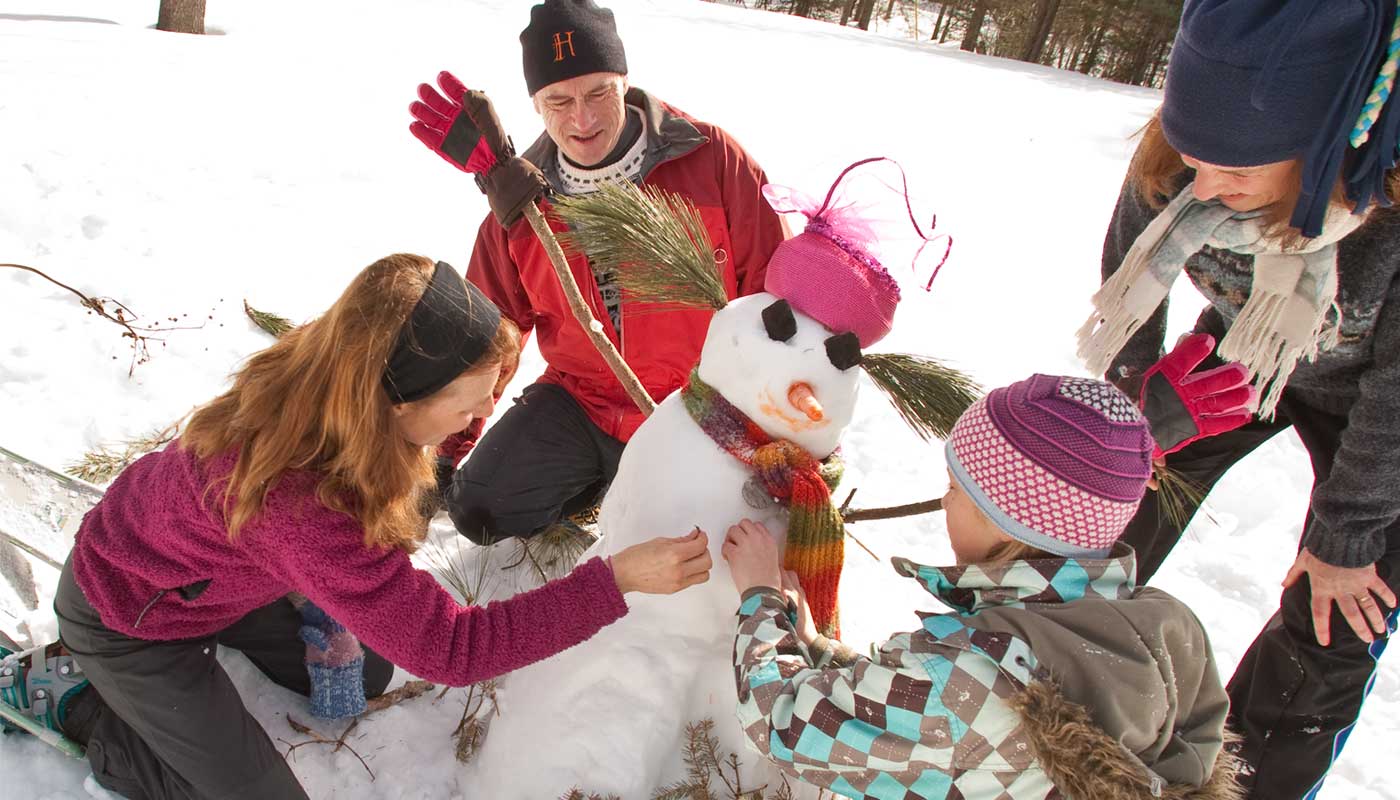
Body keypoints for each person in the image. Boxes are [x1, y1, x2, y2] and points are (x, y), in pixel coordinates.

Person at [0, 255, 711, 799]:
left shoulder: (340, 373)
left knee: (362, 671)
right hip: (131, 613)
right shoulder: (305, 511)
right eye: (467, 403)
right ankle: (71, 696)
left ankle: (221, 624)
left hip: (214, 576)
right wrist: (613, 580)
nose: (480, 414)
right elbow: (454, 648)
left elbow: (390, 488)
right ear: (398, 404)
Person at [1081, 1, 1400, 796]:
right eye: (1195, 158)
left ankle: (1245, 780)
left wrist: (1345, 535)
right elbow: (1131, 291)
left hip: (1377, 405)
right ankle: (1055, 682)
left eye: (1239, 172)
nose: (1206, 188)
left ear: (1328, 145)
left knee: (1346, 600)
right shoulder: (1178, 164)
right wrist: (1132, 422)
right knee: (1112, 502)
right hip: (1246, 348)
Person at [722, 374, 1236, 799]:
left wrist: (760, 599)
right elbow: (958, 738)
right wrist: (815, 649)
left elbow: (787, 726)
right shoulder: (1171, 628)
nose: (944, 503)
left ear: (1009, 522)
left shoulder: (971, 676)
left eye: (955, 489)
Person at [408, 0, 787, 544]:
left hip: (698, 407)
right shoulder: (520, 199)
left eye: (597, 93)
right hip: (582, 404)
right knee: (480, 509)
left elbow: (776, 300)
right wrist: (444, 454)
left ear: (624, 81)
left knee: (705, 543)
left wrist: (776, 429)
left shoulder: (713, 160)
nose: (581, 120)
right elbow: (487, 336)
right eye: (558, 101)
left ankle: (633, 486)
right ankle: (599, 485)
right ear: (536, 105)